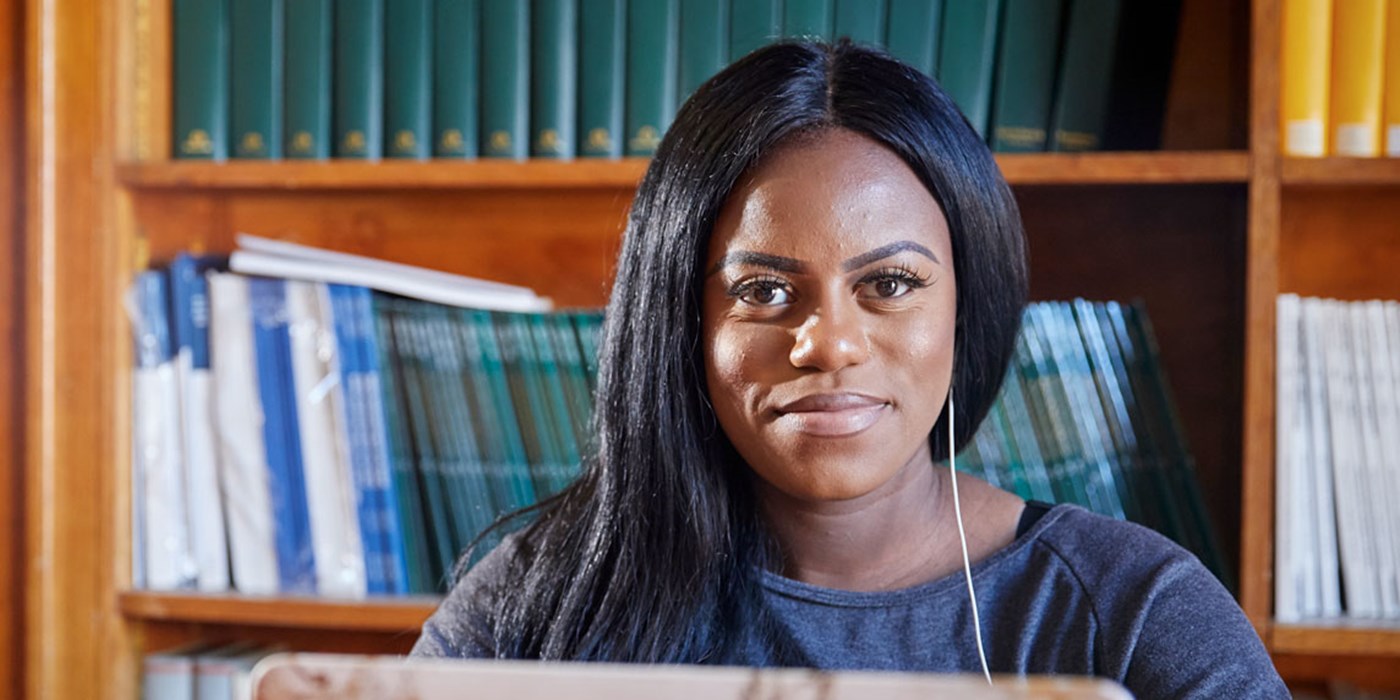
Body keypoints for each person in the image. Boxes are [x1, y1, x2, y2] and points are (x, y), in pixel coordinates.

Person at [412, 40, 1288, 699]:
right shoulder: (542, 602)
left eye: (891, 283)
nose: (827, 343)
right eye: (762, 289)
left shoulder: (1133, 613)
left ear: (964, 308)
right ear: (683, 319)